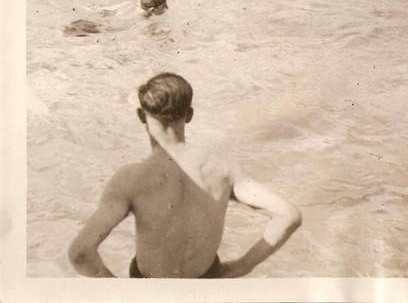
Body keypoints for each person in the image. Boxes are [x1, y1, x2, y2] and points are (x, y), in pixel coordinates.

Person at [68, 73, 301, 277]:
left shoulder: (129, 179)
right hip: (206, 285)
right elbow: (288, 215)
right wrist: (243, 266)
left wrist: (121, 293)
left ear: (141, 116)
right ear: (189, 114)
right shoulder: (223, 169)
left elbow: (80, 253)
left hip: (151, 290)